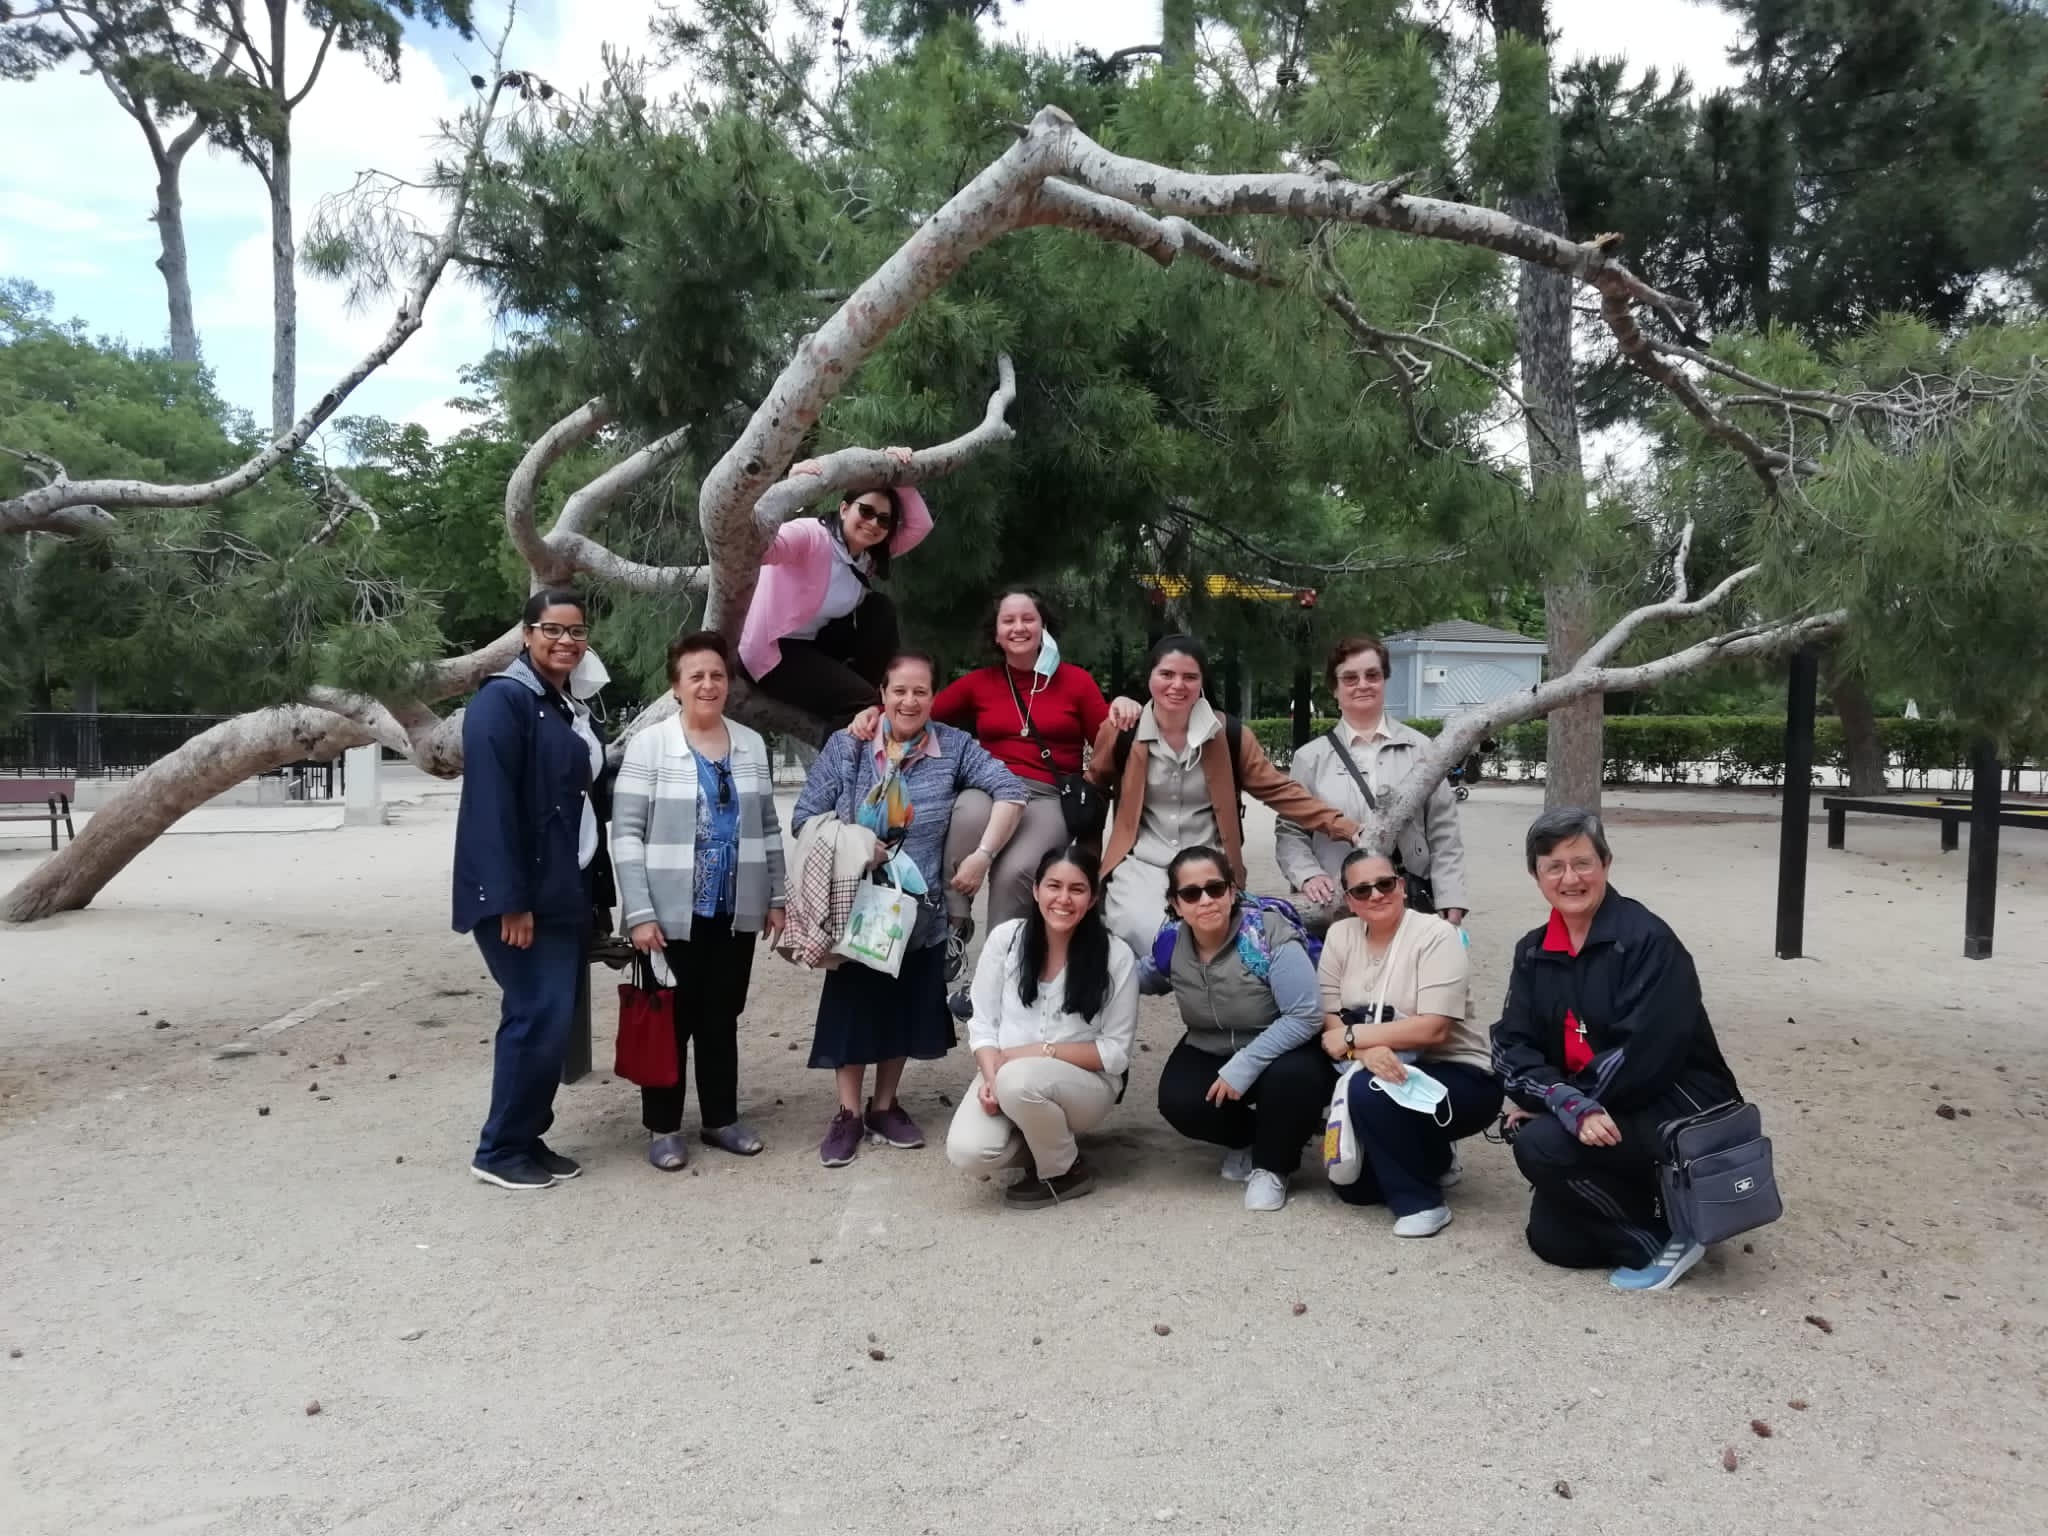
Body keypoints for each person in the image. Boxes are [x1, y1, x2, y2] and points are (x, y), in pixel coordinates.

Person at [792, 651, 1028, 1167]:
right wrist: (858, 843)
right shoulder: (849, 746)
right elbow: (804, 816)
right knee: (853, 1007)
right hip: (856, 903)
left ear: (934, 696)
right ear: (882, 694)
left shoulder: (955, 748)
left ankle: (885, 1105)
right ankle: (848, 1113)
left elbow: (1011, 790)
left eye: (921, 691)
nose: (909, 701)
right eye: (899, 690)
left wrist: (982, 856)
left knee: (902, 1007)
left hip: (917, 907)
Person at [1491, 807, 1741, 1292]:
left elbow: (1644, 1055)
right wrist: (1560, 1098)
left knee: (1539, 1144)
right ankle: (1656, 1212)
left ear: (1605, 863)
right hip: (1598, 1105)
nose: (1570, 879)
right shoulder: (1533, 950)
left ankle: (1665, 1238)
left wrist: (1568, 1105)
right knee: (1553, 1240)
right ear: (1536, 876)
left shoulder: (1648, 939)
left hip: (1674, 1101)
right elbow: (1509, 1046)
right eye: (1554, 867)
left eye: (1582, 862)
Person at [846, 587, 1139, 970]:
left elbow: (1105, 738)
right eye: (1008, 620)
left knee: (1015, 872)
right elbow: (918, 709)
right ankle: (954, 925)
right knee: (964, 815)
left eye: (1028, 619)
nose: (1019, 627)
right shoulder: (980, 683)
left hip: (1047, 795)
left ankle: (997, 967)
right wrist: (873, 713)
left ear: (1044, 626)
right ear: (996, 633)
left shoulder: (1076, 682)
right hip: (990, 785)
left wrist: (1122, 704)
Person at [610, 631, 788, 1172]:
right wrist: (639, 912)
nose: (708, 685)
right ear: (676, 686)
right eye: (696, 676)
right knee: (669, 1020)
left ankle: (720, 1119)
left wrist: (776, 895)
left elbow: (768, 827)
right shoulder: (650, 745)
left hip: (733, 910)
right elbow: (626, 834)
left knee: (721, 1016)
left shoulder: (751, 744)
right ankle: (663, 1127)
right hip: (667, 915)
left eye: (717, 675)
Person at [451, 589, 605, 1191]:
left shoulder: (563, 704)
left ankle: (526, 1135)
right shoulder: (502, 701)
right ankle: (498, 1150)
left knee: (552, 1019)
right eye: (552, 630)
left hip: (563, 887)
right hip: (521, 897)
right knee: (534, 1013)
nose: (566, 641)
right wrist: (509, 901)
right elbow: (490, 808)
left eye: (576, 632)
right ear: (526, 634)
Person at [1089, 634, 1361, 960]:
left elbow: (1279, 790)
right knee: (1146, 932)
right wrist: (1085, 864)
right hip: (1142, 864)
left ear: (1202, 682)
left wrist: (1344, 827)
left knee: (1214, 939)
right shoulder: (1122, 731)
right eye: (1166, 674)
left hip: (1211, 864)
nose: (1177, 685)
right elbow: (1093, 788)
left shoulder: (1228, 735)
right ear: (1149, 677)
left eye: (1190, 677)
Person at [1318, 850, 1501, 1237]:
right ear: (1349, 900)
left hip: (1456, 1071)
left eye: (1385, 884)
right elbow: (1329, 1014)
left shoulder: (1437, 935)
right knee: (1355, 1190)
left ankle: (1422, 1203)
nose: (1376, 895)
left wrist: (1352, 1037)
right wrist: (1364, 1051)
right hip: (1372, 1063)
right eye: (1362, 890)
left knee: (1372, 1089)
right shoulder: (1340, 935)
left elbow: (1433, 1030)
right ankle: (1432, 1153)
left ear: (1401, 886)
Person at [945, 846, 1139, 1207]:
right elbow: (983, 1023)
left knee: (1019, 1082)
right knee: (968, 1152)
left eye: (1077, 889)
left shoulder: (1116, 956)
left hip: (1085, 1087)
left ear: (1092, 898)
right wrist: (992, 1079)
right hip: (1004, 1073)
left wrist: (1037, 1053)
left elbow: (1115, 1054)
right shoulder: (1006, 940)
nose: (1063, 899)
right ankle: (1048, 1141)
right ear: (1036, 891)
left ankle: (1065, 1171)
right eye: (1053, 886)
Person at [1152, 846, 1334, 1212]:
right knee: (1179, 1101)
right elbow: (1144, 974)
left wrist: (1245, 1064)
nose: (1206, 900)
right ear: (1176, 904)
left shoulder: (1266, 934)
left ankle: (1273, 1166)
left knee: (1293, 1079)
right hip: (1209, 1043)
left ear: (1232, 891)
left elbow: (1305, 1014)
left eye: (1215, 888)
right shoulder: (1171, 942)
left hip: (1284, 1044)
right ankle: (1255, 1139)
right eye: (1191, 893)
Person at [1277, 634, 1469, 936]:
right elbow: (1291, 831)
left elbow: (1443, 829)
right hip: (1338, 909)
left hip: (1410, 904)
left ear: (1384, 680)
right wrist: (1308, 875)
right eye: (1350, 678)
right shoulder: (1310, 758)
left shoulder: (1422, 750)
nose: (1362, 684)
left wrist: (1451, 896)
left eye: (1372, 675)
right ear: (1334, 688)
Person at [739, 451, 929, 722]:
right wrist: (789, 491)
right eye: (866, 511)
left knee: (879, 609)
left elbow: (920, 526)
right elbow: (760, 548)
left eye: (884, 520)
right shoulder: (811, 536)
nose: (873, 523)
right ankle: (858, 707)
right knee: (864, 704)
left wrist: (896, 468)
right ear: (844, 509)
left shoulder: (866, 557)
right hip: (774, 651)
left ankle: (864, 692)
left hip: (814, 645)